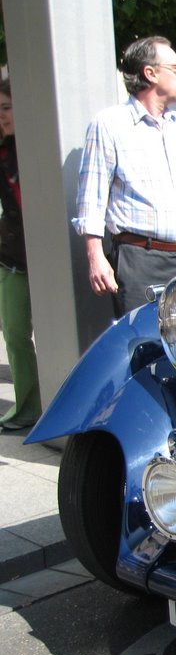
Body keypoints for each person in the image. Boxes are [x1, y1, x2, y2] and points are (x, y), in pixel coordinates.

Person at [73, 36, 176, 314]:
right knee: (146, 346)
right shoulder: (110, 124)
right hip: (143, 261)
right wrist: (96, 257)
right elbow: (92, 199)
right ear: (150, 73)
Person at [0, 79, 41, 432]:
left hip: (48, 258)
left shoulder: (37, 149)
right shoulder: (2, 153)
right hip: (12, 257)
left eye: (6, 108)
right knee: (13, 331)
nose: (2, 117)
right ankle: (27, 408)